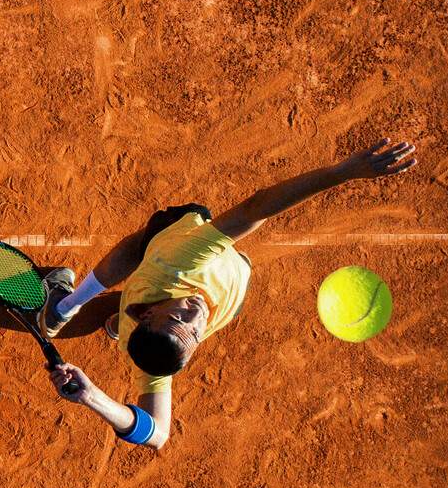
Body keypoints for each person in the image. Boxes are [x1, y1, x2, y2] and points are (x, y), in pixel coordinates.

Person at [36, 138, 418, 451]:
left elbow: (259, 205)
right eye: (194, 331)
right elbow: (159, 435)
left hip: (169, 246)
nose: (197, 313)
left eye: (178, 316)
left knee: (142, 244)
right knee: (143, 292)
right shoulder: (157, 359)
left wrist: (344, 172)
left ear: (149, 315)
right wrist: (91, 398)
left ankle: (65, 304)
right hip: (195, 289)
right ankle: (114, 321)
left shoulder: (181, 259)